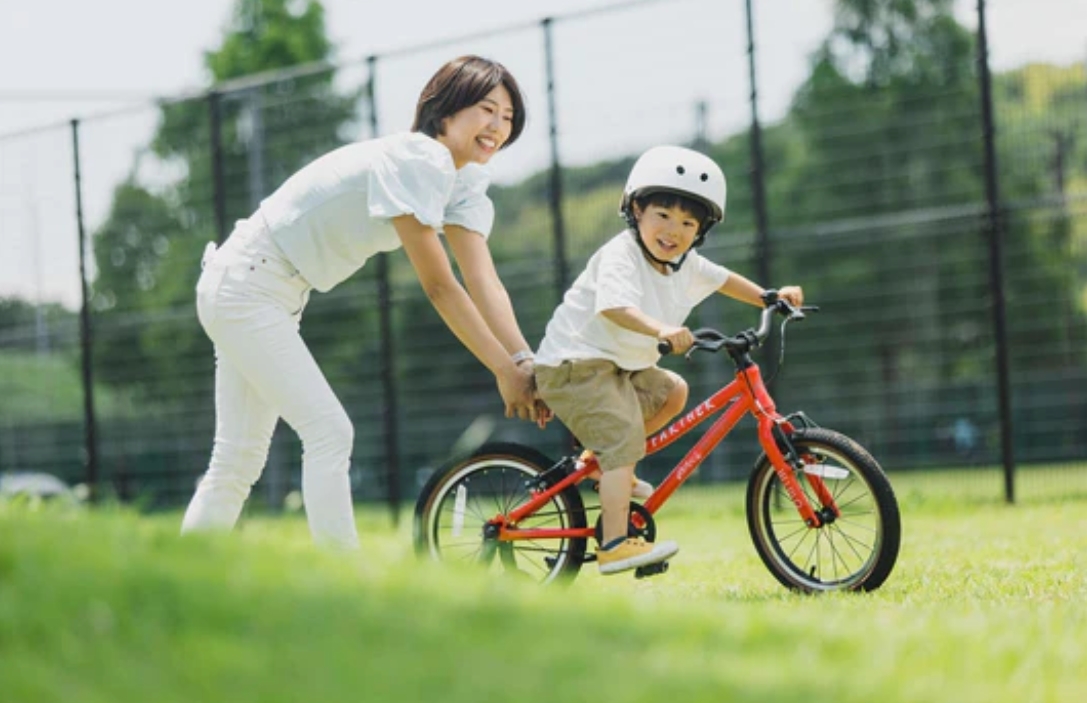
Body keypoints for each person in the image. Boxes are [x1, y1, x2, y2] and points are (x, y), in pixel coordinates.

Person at [182, 55, 544, 550]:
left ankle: (188, 567)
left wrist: (523, 360)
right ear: (444, 111)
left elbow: (483, 280)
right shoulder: (420, 158)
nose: (498, 127)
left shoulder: (461, 180)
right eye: (486, 109)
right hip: (247, 285)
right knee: (329, 433)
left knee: (237, 458)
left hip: (262, 291)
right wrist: (503, 370)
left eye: (508, 118)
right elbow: (440, 286)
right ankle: (346, 582)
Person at [533, 145, 804, 575]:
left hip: (618, 366)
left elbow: (725, 280)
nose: (673, 230)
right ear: (636, 210)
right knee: (622, 436)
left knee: (673, 391)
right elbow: (615, 308)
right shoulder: (622, 254)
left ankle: (600, 464)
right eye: (662, 214)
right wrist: (661, 330)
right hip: (575, 364)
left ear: (699, 231)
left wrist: (769, 297)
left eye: (687, 222)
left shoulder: (686, 263)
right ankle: (615, 543)